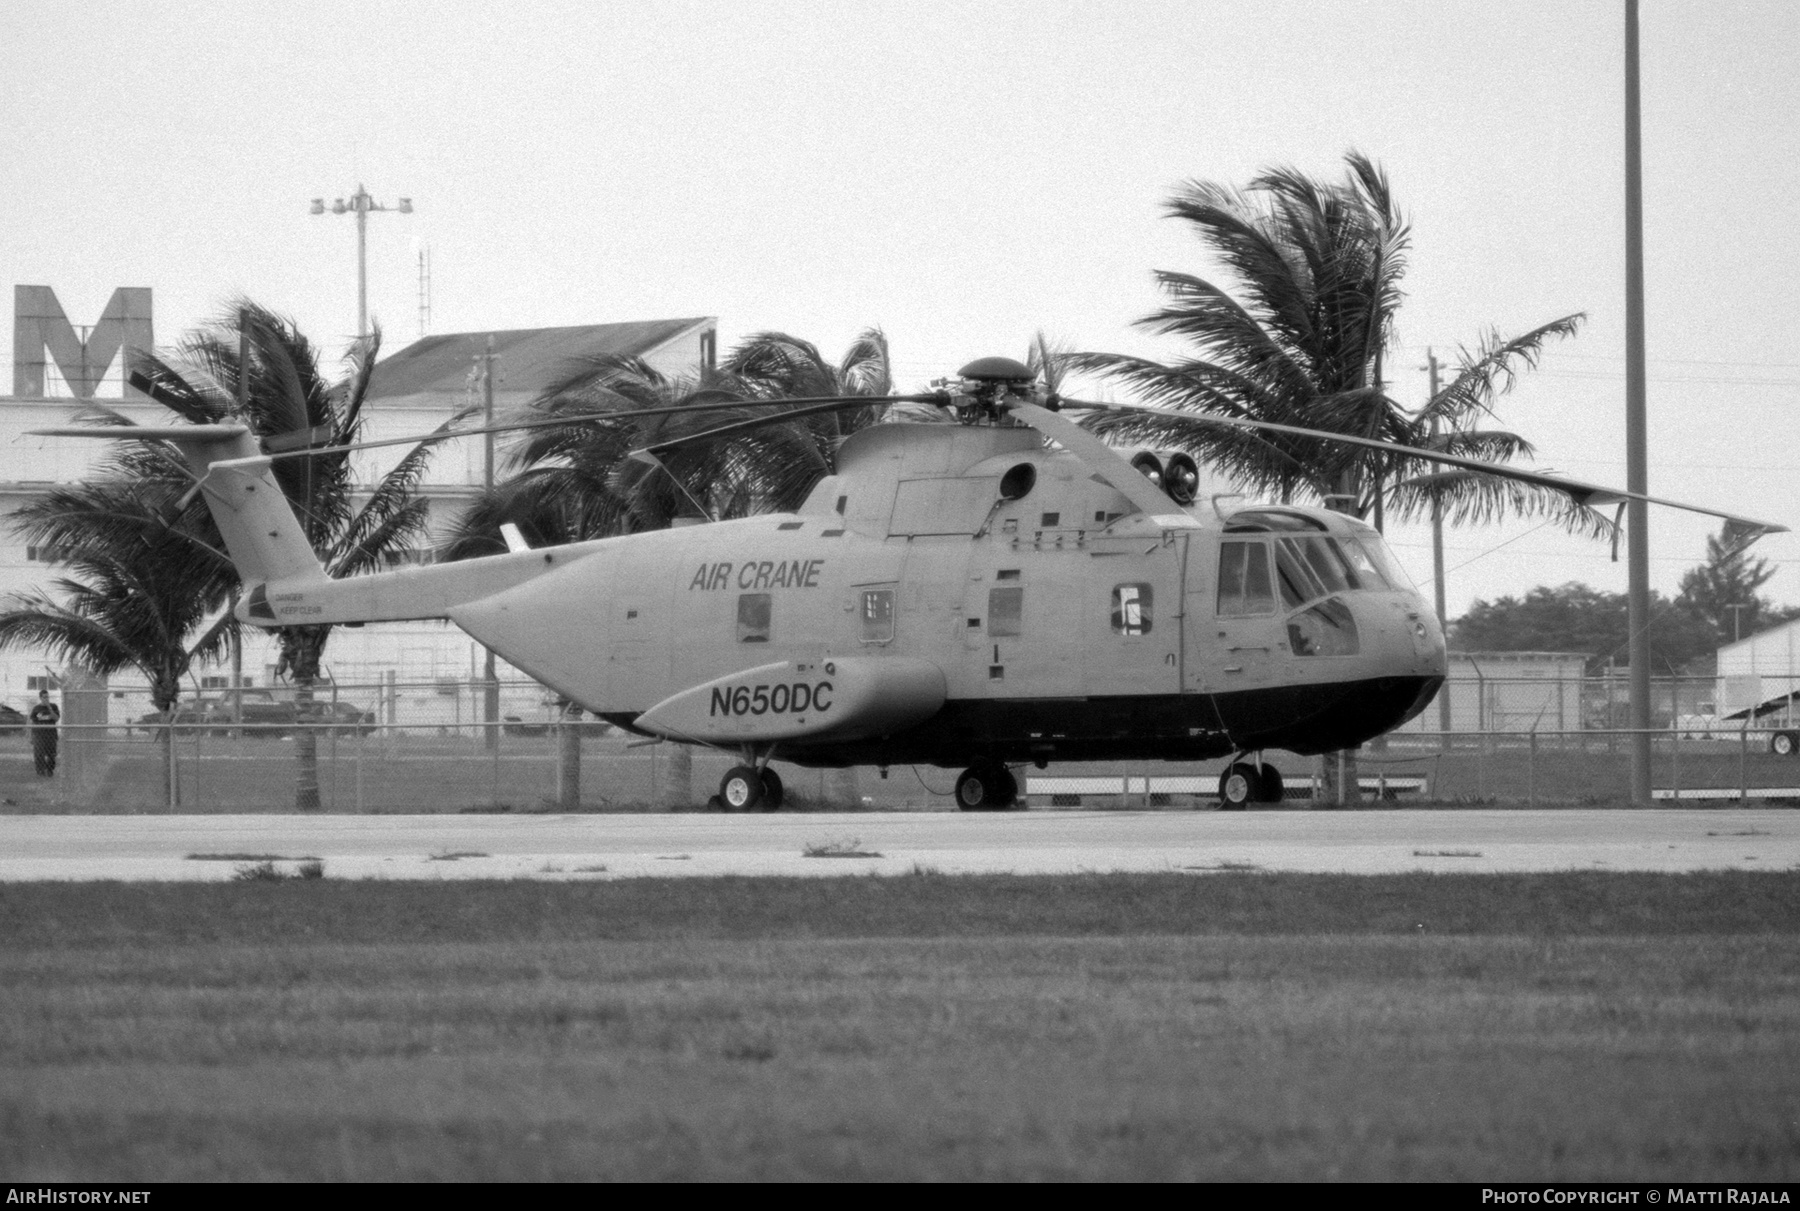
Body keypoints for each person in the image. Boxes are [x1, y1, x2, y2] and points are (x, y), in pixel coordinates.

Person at [29, 689, 60, 777]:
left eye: (47, 697)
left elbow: (56, 718)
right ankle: (40, 771)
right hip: (39, 734)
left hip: (51, 734)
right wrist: (31, 736)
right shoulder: (36, 708)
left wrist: (49, 708)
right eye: (44, 697)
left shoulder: (53, 706)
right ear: (40, 698)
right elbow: (32, 722)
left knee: (51, 754)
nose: (46, 699)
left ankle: (50, 770)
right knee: (39, 753)